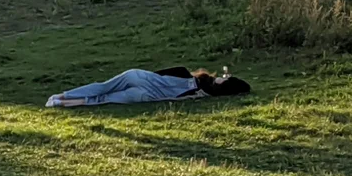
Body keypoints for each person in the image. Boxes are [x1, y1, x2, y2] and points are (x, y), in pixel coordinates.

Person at [46, 67, 251, 107]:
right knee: (104, 99)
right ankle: (60, 103)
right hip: (146, 95)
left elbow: (160, 73)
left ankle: (62, 95)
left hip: (140, 77)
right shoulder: (201, 95)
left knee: (103, 87)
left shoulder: (185, 73)